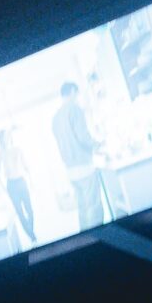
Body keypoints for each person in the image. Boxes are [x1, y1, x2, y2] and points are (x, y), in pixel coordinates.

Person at [51, 79, 109, 230]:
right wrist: (98, 144)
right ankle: (101, 237)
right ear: (72, 92)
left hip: (70, 170)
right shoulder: (75, 109)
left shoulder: (55, 118)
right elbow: (83, 137)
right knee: (94, 205)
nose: (77, 98)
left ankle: (85, 236)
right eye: (77, 94)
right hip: (84, 166)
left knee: (82, 207)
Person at [0, 126, 36, 244]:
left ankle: (31, 231)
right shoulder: (1, 154)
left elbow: (26, 166)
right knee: (20, 212)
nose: (5, 139)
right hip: (11, 185)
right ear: (1, 140)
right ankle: (32, 236)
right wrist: (3, 188)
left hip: (21, 181)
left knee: (30, 210)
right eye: (3, 137)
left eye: (7, 136)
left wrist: (31, 181)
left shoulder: (18, 149)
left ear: (9, 137)